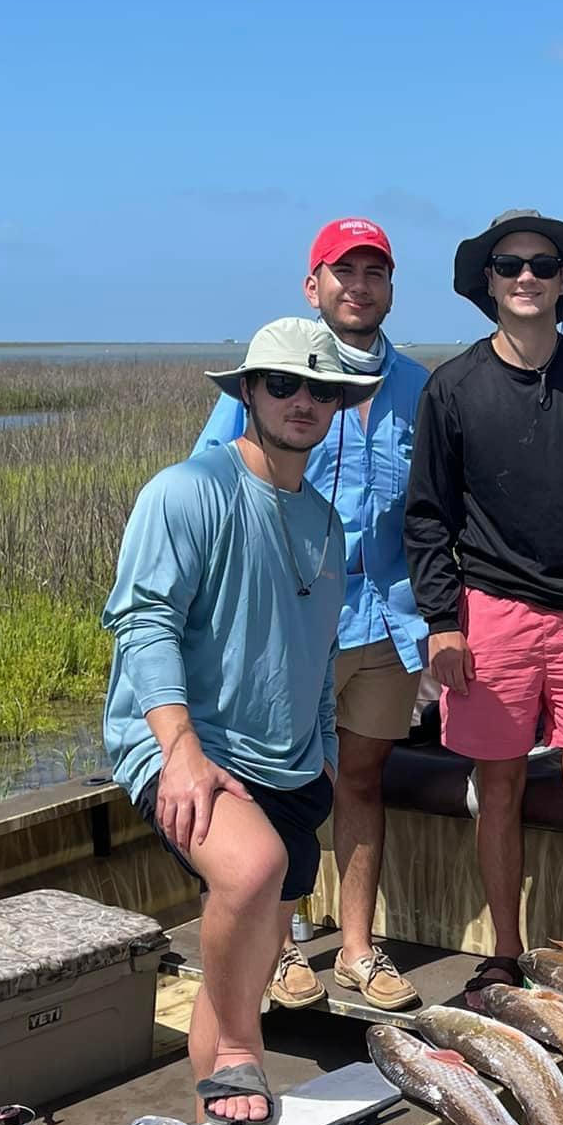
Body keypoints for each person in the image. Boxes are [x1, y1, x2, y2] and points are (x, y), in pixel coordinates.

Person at [104, 317, 371, 1125]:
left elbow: (316, 649)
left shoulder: (326, 522)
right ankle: (234, 1055)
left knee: (246, 969)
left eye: (321, 389)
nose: (303, 401)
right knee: (252, 869)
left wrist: (325, 754)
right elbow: (142, 621)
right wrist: (180, 751)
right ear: (249, 391)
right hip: (189, 748)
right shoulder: (188, 491)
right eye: (284, 384)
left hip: (292, 764)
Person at [404, 210, 563, 993]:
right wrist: (442, 621)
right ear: (488, 282)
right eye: (510, 265)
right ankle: (505, 952)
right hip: (493, 612)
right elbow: (427, 517)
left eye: (542, 265)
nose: (526, 277)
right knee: (500, 787)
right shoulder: (451, 388)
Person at [194, 217, 429, 1013]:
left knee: (361, 778)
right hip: (289, 621)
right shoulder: (272, 375)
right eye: (342, 272)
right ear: (312, 285)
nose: (358, 287)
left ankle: (357, 949)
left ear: (390, 289)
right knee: (271, 779)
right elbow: (212, 481)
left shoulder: (418, 387)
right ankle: (278, 946)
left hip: (387, 619)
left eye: (373, 273)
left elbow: (434, 509)